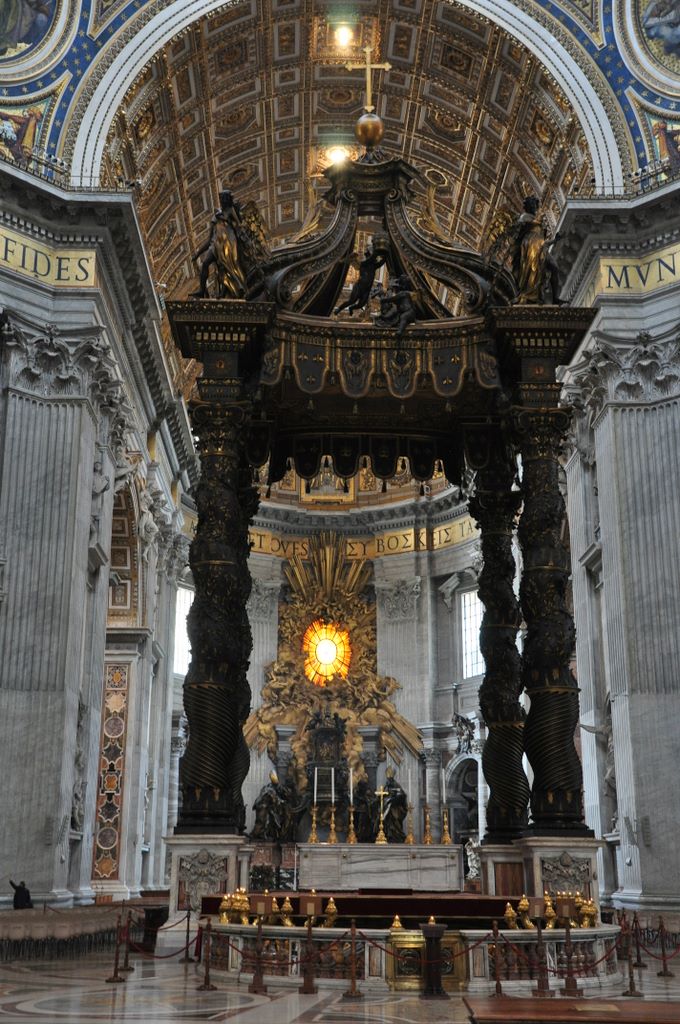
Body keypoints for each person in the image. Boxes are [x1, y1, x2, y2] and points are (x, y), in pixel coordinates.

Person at [192, 189, 246, 299]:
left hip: (228, 241)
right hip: (215, 244)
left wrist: (227, 220)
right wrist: (197, 254)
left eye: (222, 198)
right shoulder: (215, 216)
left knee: (227, 265)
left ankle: (233, 288)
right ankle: (202, 290)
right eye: (220, 198)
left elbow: (239, 225)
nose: (221, 200)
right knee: (205, 264)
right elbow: (209, 239)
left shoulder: (230, 210)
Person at [511, 196, 562, 304]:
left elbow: (542, 242)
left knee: (554, 268)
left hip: (541, 248)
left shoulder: (537, 222)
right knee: (532, 271)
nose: (535, 207)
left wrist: (555, 240)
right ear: (528, 206)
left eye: (535, 205)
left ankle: (555, 298)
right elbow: (517, 232)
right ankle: (529, 294)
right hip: (530, 248)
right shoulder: (524, 218)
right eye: (532, 204)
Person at [334, 243, 387, 316]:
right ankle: (339, 309)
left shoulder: (374, 266)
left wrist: (386, 256)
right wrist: (378, 249)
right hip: (359, 287)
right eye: (372, 258)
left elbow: (382, 262)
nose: (375, 259)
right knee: (351, 301)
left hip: (366, 289)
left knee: (361, 305)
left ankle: (351, 308)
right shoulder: (364, 263)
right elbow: (373, 257)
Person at [382, 768, 408, 843]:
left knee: (394, 820)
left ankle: (396, 835)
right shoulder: (386, 786)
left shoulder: (396, 785)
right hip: (387, 807)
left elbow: (402, 795)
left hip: (395, 808)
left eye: (390, 779)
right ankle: (388, 835)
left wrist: (392, 799)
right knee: (385, 819)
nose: (388, 780)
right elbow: (383, 795)